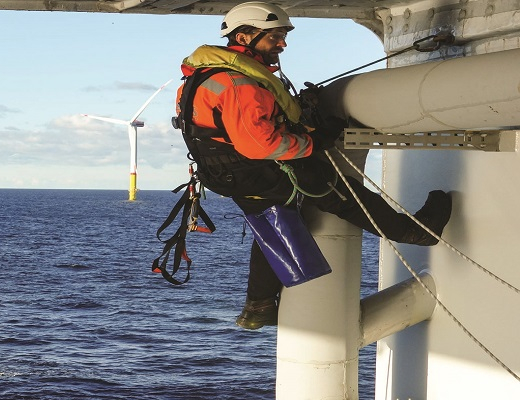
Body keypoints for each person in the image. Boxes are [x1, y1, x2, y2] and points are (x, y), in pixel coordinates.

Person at [173, 1, 453, 330]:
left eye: (282, 36)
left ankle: (258, 306)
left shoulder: (202, 78)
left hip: (224, 173)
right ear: (245, 35)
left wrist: (304, 128)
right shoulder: (241, 84)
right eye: (274, 36)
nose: (282, 43)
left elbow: (238, 129)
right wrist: (314, 143)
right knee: (342, 194)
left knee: (274, 225)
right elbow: (261, 143)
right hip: (257, 170)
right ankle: (414, 233)